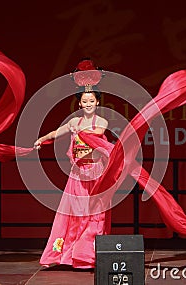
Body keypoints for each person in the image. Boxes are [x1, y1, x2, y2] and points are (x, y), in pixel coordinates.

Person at [34, 62, 111, 269]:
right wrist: (42, 139)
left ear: (97, 103)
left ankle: (89, 256)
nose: (88, 104)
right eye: (84, 101)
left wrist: (80, 144)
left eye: (91, 101)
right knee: (74, 214)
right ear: (79, 104)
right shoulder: (73, 123)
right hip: (77, 175)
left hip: (94, 174)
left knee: (93, 214)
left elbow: (94, 141)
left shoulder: (101, 122)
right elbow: (55, 134)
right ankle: (68, 256)